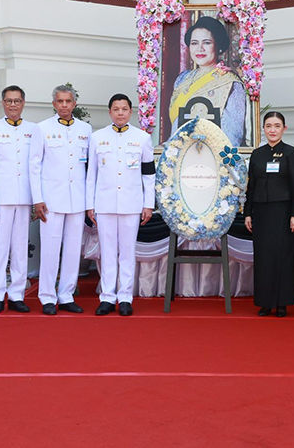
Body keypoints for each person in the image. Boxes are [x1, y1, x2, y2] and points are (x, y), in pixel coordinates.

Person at [86, 93, 155, 316]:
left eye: (124, 109)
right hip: (104, 204)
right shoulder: (97, 138)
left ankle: (125, 297)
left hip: (131, 204)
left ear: (130, 112)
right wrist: (90, 205)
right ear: (110, 112)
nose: (120, 113)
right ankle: (107, 297)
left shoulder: (142, 138)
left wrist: (148, 204)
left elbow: (148, 175)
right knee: (107, 252)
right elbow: (91, 175)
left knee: (127, 252)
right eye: (116, 109)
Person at [0, 85, 43, 315]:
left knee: (19, 247)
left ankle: (17, 294)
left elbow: (35, 167)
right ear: (3, 103)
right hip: (1, 199)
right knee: (0, 248)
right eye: (9, 101)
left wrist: (37, 199)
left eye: (17, 101)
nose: (13, 105)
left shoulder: (33, 130)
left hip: (24, 198)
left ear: (23, 103)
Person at [33, 85, 92, 315]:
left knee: (72, 249)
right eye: (60, 101)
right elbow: (34, 166)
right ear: (54, 104)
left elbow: (89, 167)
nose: (64, 105)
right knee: (49, 249)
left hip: (77, 199)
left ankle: (66, 294)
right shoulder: (43, 128)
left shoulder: (86, 129)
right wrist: (38, 199)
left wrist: (89, 203)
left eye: (68, 101)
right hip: (51, 200)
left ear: (74, 104)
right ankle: (47, 296)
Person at [244, 111, 294, 317]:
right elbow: (251, 186)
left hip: (283, 212)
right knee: (264, 257)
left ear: (284, 129)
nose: (272, 130)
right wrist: (248, 213)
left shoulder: (291, 153)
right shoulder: (257, 154)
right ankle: (265, 302)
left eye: (277, 126)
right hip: (261, 212)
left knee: (283, 256)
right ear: (264, 129)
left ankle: (283, 302)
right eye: (269, 126)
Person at [168, 16, 248, 146]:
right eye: (194, 43)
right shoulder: (182, 79)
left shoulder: (230, 82)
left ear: (218, 46)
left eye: (206, 42)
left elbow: (233, 135)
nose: (200, 49)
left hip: (214, 156)